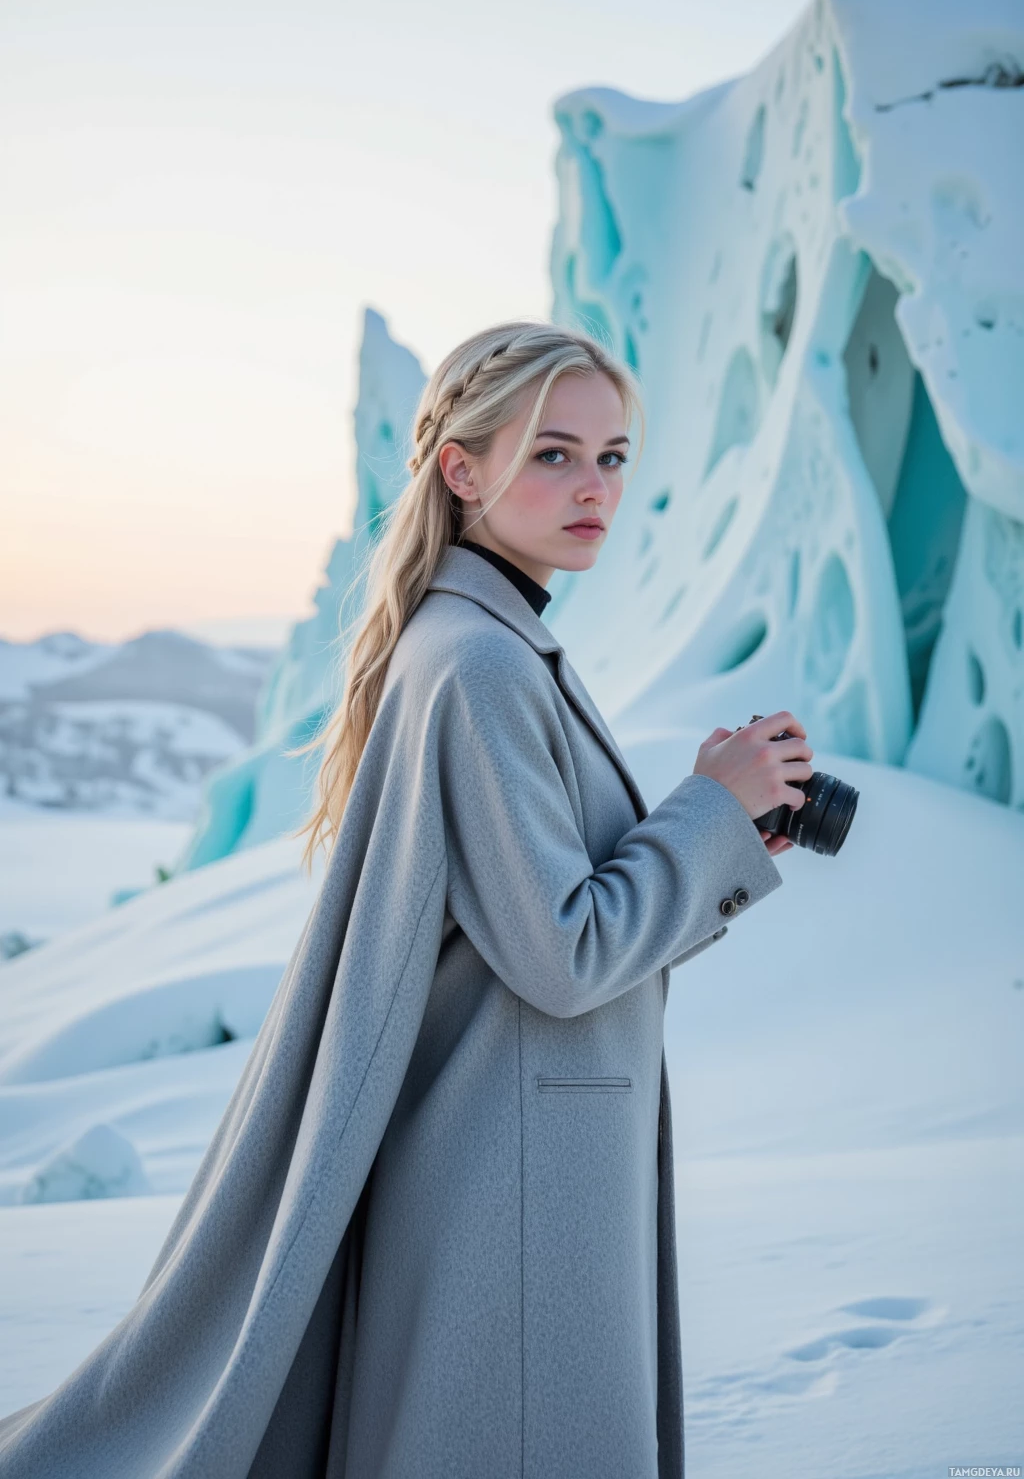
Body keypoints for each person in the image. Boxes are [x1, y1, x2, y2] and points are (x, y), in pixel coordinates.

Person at [0, 322, 812, 1479]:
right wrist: (708, 812)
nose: (594, 487)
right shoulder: (482, 663)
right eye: (552, 454)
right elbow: (564, 955)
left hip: (506, 1161)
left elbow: (522, 926)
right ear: (461, 469)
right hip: (519, 1184)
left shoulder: (482, 643)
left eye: (613, 457)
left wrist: (715, 829)